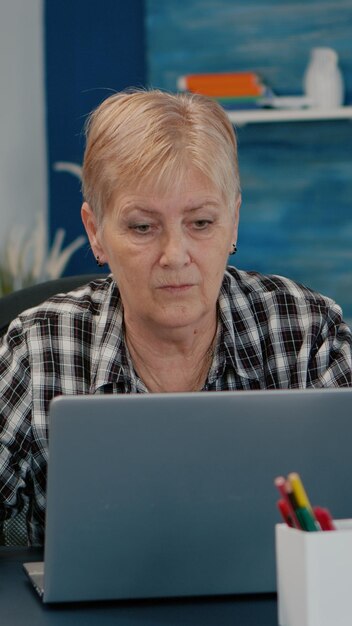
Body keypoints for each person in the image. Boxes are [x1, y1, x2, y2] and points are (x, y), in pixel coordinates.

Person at [1, 88, 352, 545]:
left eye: (201, 223)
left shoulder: (307, 331)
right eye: (143, 227)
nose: (175, 255)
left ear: (234, 221)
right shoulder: (39, 345)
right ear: (96, 232)